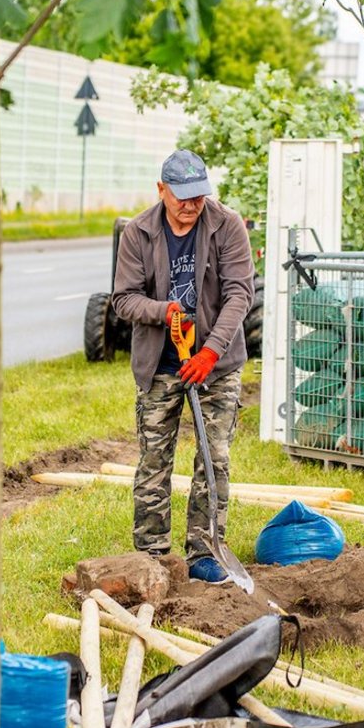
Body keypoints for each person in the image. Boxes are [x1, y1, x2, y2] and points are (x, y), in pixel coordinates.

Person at [112, 150, 255, 584]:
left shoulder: (226, 225)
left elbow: (240, 294)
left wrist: (210, 351)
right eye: (182, 197)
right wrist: (163, 310)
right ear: (162, 190)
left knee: (215, 457)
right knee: (154, 458)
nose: (191, 205)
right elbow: (123, 299)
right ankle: (152, 553)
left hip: (217, 363)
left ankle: (204, 551)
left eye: (198, 196)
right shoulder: (138, 232)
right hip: (161, 363)